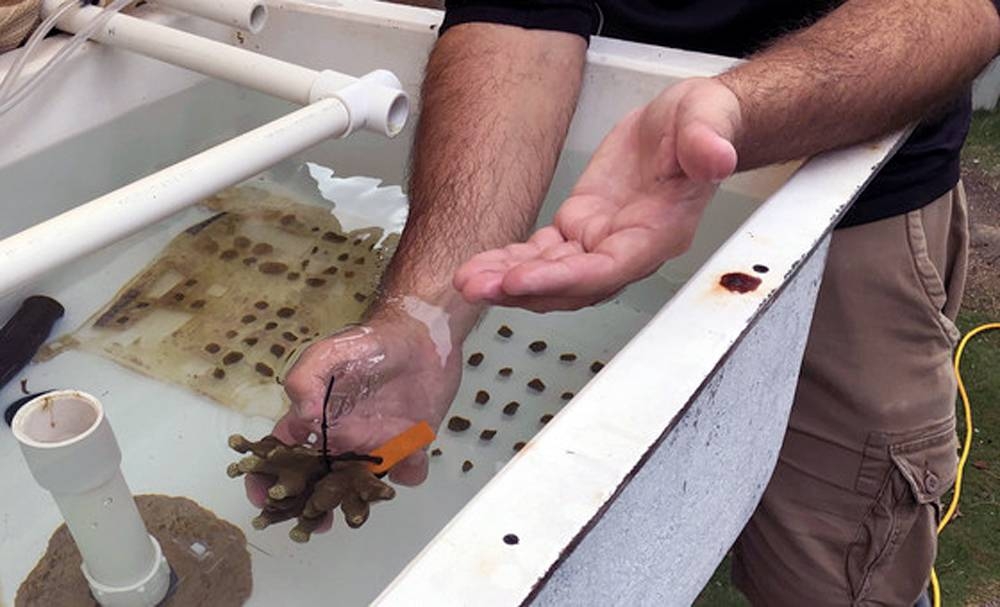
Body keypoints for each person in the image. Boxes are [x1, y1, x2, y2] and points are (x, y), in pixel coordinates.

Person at [255, 1, 1000, 604]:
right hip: (603, 166)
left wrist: (739, 111)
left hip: (849, 194)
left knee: (832, 563)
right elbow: (519, 15)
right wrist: (424, 319)